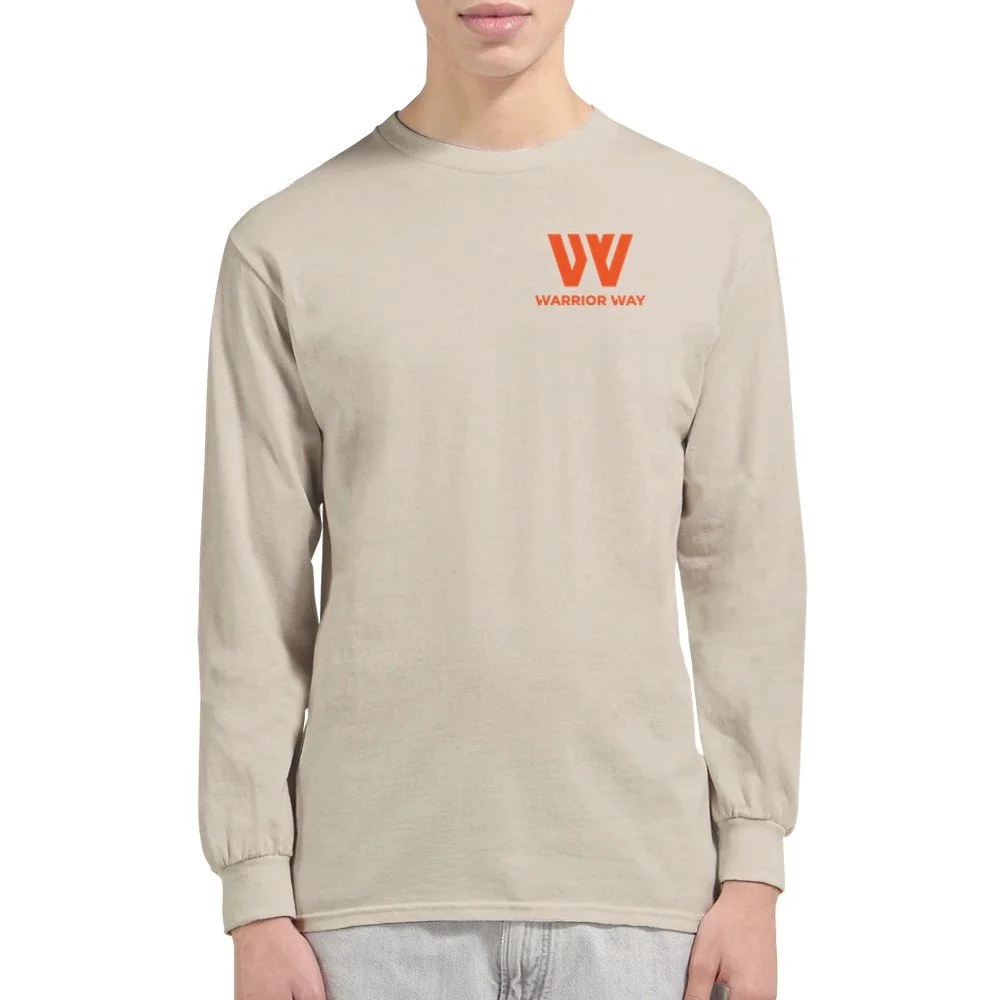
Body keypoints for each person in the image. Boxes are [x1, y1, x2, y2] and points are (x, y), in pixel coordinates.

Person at [196, 2, 807, 998]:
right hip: (364, 912)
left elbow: (746, 560)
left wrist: (753, 864)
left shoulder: (710, 227)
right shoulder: (286, 245)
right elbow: (250, 592)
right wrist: (255, 891)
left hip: (647, 906)